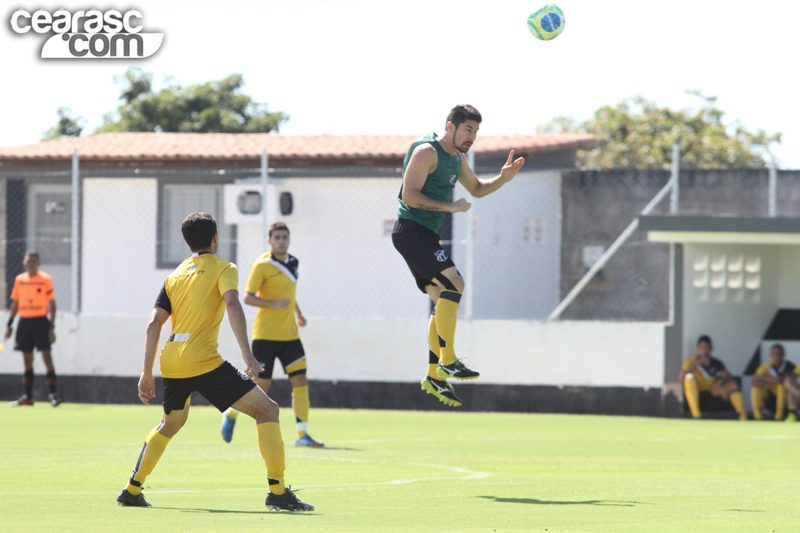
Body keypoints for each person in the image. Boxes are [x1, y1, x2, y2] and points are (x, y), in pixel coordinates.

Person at [116, 212, 313, 512]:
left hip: (172, 362)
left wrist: (146, 373)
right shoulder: (225, 268)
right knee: (268, 410)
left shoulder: (175, 275)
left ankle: (132, 488)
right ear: (215, 239)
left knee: (170, 424)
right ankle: (278, 491)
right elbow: (233, 302)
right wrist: (247, 354)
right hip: (204, 362)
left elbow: (153, 324)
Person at [391, 104, 525, 407]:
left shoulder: (456, 158)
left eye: (476, 131)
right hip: (411, 232)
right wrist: (449, 207)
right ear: (450, 126)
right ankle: (448, 359)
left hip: (423, 235)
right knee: (456, 283)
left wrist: (503, 178)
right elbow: (408, 195)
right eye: (468, 129)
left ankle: (434, 376)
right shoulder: (427, 152)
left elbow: (477, 189)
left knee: (443, 296)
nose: (472, 136)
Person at [220, 222, 323, 447]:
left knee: (301, 380)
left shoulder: (294, 262)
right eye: (277, 237)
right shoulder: (262, 265)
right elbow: (247, 297)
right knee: (259, 386)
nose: (281, 241)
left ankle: (301, 435)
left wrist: (299, 313)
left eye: (284, 237)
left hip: (290, 336)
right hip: (266, 335)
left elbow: (289, 294)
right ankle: (231, 412)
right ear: (270, 240)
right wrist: (273, 304)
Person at [5, 251, 60, 407]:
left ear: (39, 264)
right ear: (24, 263)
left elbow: (52, 304)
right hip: (24, 322)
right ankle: (28, 397)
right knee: (27, 360)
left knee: (47, 357)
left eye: (34, 261)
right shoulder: (20, 280)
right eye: (28, 261)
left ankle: (53, 394)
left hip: (41, 321)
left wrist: (51, 327)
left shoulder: (45, 279)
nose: (31, 263)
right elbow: (15, 303)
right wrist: (9, 324)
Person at [679, 335, 747, 420]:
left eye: (707, 348)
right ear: (698, 349)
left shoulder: (715, 362)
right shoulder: (691, 361)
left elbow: (729, 376)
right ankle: (696, 416)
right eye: (702, 348)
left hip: (712, 394)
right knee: (689, 377)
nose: (704, 351)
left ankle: (743, 417)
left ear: (711, 348)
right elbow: (681, 378)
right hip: (697, 395)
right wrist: (697, 365)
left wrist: (720, 382)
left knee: (732, 384)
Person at [751, 343, 794, 421]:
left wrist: (763, 379)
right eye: (774, 354)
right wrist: (771, 381)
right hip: (769, 399)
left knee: (781, 387)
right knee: (756, 388)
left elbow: (782, 380)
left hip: (785, 402)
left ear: (783, 355)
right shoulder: (765, 367)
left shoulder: (789, 366)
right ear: (771, 355)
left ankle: (779, 417)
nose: (777, 357)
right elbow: (753, 381)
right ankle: (758, 417)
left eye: (779, 354)